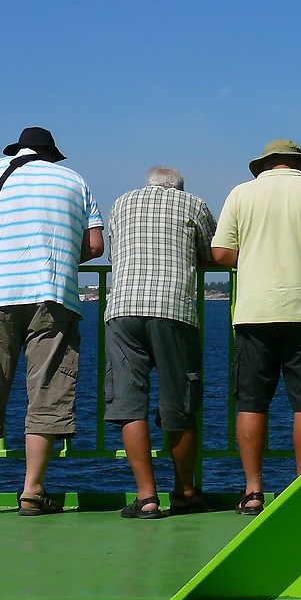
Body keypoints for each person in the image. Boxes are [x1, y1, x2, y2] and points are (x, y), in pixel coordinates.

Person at [0, 127, 104, 517]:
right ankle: (32, 490)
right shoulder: (75, 180)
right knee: (48, 390)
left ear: (18, 149)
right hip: (54, 295)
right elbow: (95, 246)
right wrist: (58, 259)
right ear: (52, 154)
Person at [211, 139, 301, 515]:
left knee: (252, 402)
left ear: (265, 164)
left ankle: (253, 490)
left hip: (255, 311)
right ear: (299, 165)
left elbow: (222, 254)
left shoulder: (242, 193)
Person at [104, 166, 217, 519]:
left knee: (128, 403)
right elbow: (211, 253)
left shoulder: (121, 203)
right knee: (180, 403)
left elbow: (113, 252)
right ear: (179, 188)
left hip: (122, 308)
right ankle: (184, 491)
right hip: (173, 309)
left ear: (147, 183)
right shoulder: (193, 205)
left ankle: (147, 497)